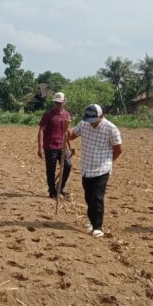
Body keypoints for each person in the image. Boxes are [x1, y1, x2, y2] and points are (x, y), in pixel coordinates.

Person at [67, 104, 122, 237]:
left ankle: (98, 226)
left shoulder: (111, 128)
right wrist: (65, 126)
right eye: (88, 120)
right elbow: (72, 136)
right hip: (86, 166)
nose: (90, 123)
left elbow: (118, 150)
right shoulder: (84, 124)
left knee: (97, 197)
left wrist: (108, 162)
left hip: (102, 168)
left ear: (101, 116)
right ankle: (92, 221)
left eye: (93, 120)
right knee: (88, 196)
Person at [37, 91, 72, 199]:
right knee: (51, 170)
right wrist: (40, 147)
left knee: (68, 165)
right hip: (50, 146)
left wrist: (70, 146)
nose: (58, 104)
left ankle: (60, 187)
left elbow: (66, 132)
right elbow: (41, 130)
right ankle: (52, 191)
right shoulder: (48, 114)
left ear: (64, 102)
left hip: (62, 146)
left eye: (60, 102)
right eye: (56, 102)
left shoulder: (67, 114)